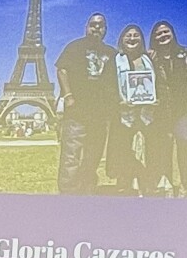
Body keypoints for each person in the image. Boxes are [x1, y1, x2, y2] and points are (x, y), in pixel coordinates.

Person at [55, 13, 117, 194]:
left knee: (94, 154)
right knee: (71, 155)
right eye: (93, 24)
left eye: (101, 25)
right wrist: (68, 96)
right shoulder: (74, 47)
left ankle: (87, 186)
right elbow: (62, 70)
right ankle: (68, 191)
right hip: (77, 111)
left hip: (100, 113)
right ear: (86, 27)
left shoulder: (112, 53)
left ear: (105, 30)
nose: (96, 28)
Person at [149, 20, 187, 198]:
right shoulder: (151, 57)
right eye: (158, 33)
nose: (162, 35)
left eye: (166, 32)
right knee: (163, 147)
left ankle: (184, 184)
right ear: (154, 37)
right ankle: (168, 184)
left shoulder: (186, 54)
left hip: (183, 109)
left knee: (185, 143)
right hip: (160, 110)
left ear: (172, 33)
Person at [106, 24, 157, 196]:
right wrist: (118, 102)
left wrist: (156, 99)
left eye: (136, 35)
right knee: (122, 151)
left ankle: (144, 185)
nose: (132, 38)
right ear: (121, 39)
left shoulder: (149, 60)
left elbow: (158, 83)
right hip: (123, 115)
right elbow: (106, 87)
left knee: (146, 151)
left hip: (146, 115)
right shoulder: (114, 60)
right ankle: (124, 186)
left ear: (141, 40)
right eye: (128, 35)